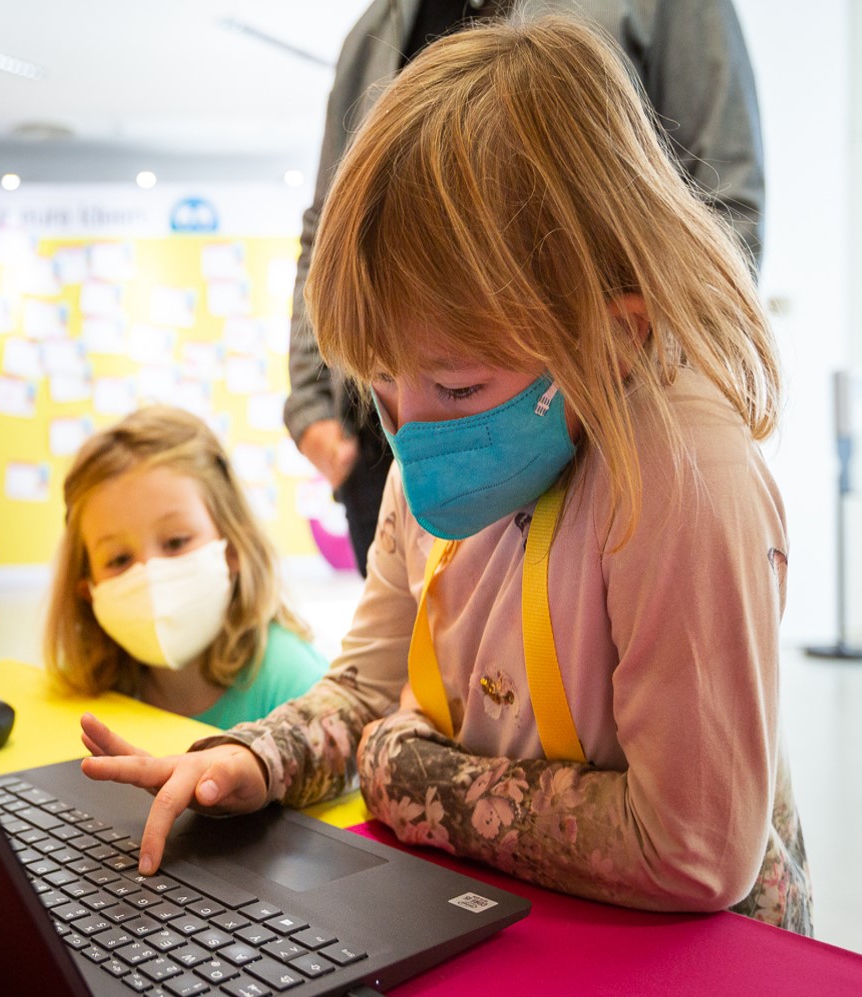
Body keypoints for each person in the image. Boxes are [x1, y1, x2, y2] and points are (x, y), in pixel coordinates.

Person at [80, 15, 811, 933]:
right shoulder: (437, 438)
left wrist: (408, 776)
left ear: (616, 331)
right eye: (382, 385)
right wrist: (253, 759)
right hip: (527, 920)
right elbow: (369, 691)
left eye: (459, 385)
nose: (412, 437)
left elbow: (693, 846)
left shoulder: (681, 477)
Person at [287, 0, 765, 574]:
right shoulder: (377, 28)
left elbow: (720, 206)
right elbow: (330, 226)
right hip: (385, 446)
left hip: (583, 419)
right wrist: (315, 402)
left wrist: (648, 400)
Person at [43, 405, 327, 729]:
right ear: (87, 589)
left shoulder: (295, 684)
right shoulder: (86, 690)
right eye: (119, 560)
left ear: (233, 548)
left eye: (176, 542)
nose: (150, 575)